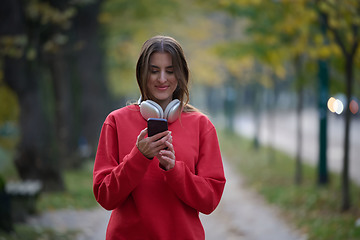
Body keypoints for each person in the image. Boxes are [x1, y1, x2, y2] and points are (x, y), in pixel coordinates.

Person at [93, 35, 226, 240]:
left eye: (170, 71)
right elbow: (105, 197)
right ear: (141, 74)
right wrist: (139, 157)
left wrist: (175, 170)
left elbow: (209, 201)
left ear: (181, 75)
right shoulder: (116, 122)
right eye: (154, 71)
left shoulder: (202, 126)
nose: (162, 79)